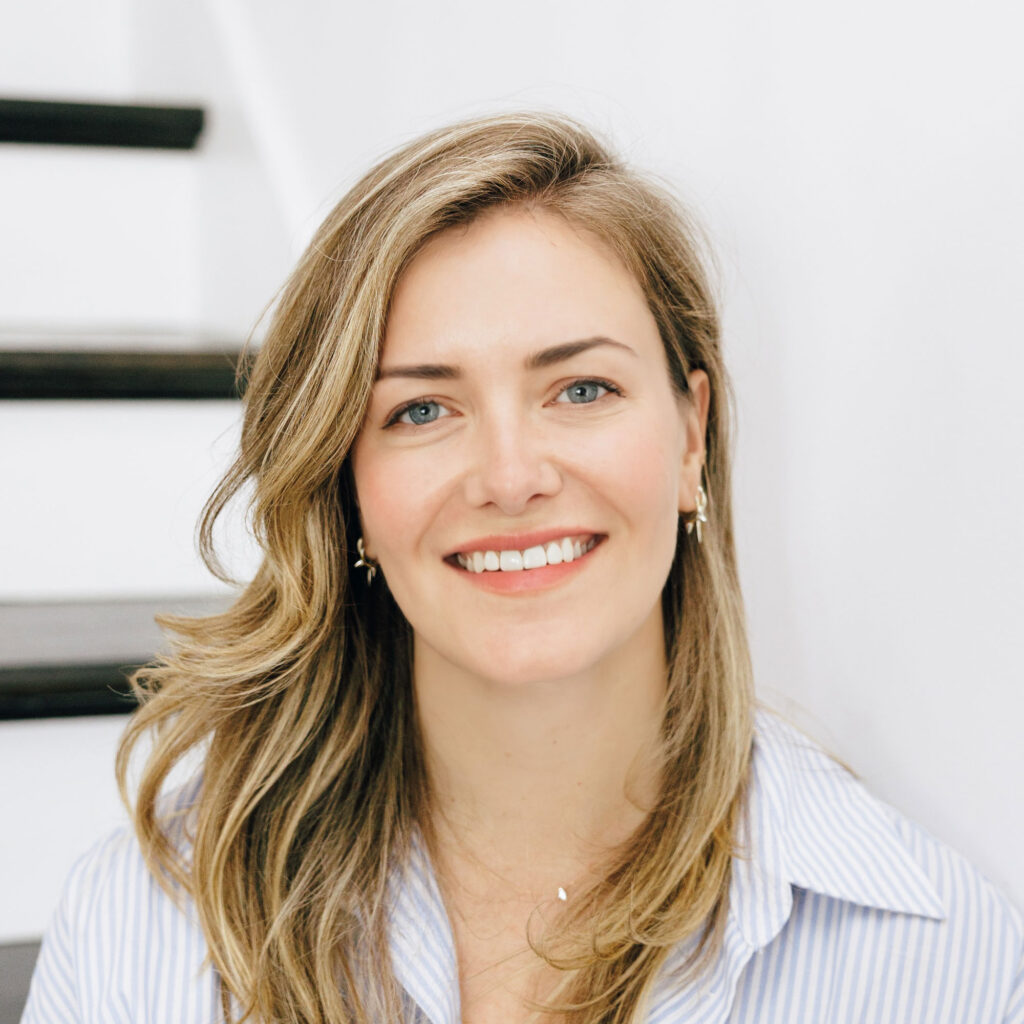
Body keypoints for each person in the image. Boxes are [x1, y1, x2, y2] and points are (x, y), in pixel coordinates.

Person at [21, 112, 1023, 1024]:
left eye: (581, 387)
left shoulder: (931, 952)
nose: (510, 475)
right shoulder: (147, 928)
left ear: (690, 435)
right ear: (348, 488)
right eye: (421, 409)